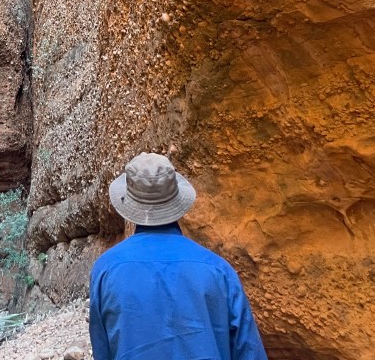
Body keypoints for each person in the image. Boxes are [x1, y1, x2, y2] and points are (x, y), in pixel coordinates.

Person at [89, 152, 268, 360]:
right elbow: (249, 352)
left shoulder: (105, 270)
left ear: (129, 205)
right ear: (177, 200)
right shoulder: (219, 270)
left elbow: (102, 350)